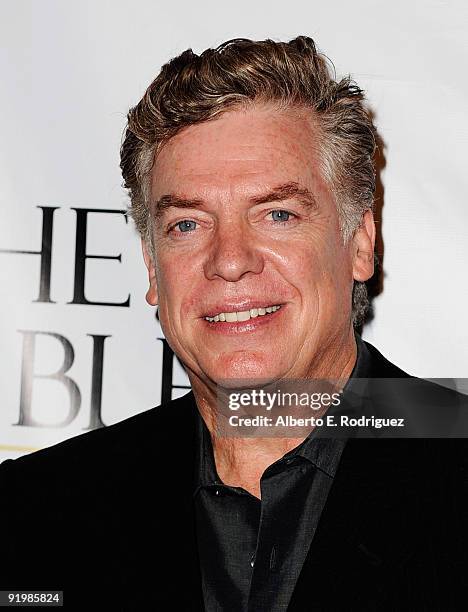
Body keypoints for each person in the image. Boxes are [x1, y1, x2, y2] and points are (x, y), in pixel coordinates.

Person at [1, 36, 467, 611]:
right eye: (187, 224)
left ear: (360, 242)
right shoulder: (34, 512)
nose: (229, 260)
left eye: (277, 214)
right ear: (152, 266)